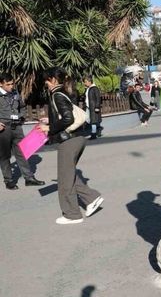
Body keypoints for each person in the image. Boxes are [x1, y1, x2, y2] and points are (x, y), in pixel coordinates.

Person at [39, 68, 103, 224]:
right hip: (77, 138)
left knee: (64, 180)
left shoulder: (57, 95)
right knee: (69, 175)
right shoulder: (65, 92)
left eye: (46, 81)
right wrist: (51, 120)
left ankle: (72, 214)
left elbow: (68, 118)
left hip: (68, 140)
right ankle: (92, 198)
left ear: (53, 80)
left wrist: (50, 128)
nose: (46, 84)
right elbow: (66, 114)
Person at [0, 73, 45, 189]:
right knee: (5, 155)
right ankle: (9, 180)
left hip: (17, 127)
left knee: (22, 153)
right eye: (8, 84)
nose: (11, 86)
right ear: (1, 84)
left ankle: (29, 178)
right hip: (3, 128)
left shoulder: (15, 93)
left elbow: (23, 106)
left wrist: (22, 116)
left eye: (12, 84)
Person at [83, 75, 102, 140]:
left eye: (85, 82)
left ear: (89, 81)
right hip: (89, 107)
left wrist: (97, 107)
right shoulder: (88, 89)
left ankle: (93, 134)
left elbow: (98, 98)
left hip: (93, 107)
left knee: (93, 120)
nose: (84, 83)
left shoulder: (95, 88)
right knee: (88, 119)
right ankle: (98, 129)